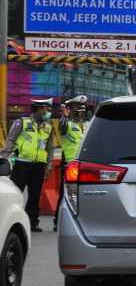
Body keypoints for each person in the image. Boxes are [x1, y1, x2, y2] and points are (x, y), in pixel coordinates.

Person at [0, 98, 54, 232]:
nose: (48, 112)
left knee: (35, 196)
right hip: (22, 164)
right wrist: (5, 158)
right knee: (16, 193)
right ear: (38, 109)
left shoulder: (48, 127)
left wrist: (48, 165)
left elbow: (50, 148)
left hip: (39, 166)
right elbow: (11, 139)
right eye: (46, 109)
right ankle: (10, 220)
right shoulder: (22, 122)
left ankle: (32, 223)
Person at [53, 95, 88, 231]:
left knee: (82, 194)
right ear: (71, 110)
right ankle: (58, 221)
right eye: (78, 109)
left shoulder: (85, 125)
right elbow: (61, 128)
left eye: (83, 109)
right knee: (66, 195)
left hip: (84, 165)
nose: (81, 111)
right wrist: (65, 115)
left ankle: (79, 222)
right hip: (70, 165)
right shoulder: (67, 124)